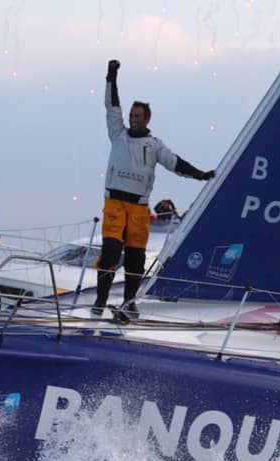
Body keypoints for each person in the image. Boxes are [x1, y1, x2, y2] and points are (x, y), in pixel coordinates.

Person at [93, 59, 215, 319]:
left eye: (138, 116)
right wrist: (111, 77)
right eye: (132, 116)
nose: (133, 120)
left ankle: (128, 303)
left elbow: (176, 163)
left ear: (147, 119)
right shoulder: (118, 134)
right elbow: (111, 107)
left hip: (139, 207)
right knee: (111, 253)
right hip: (115, 203)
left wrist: (201, 175)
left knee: (136, 259)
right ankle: (100, 300)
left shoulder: (155, 145)